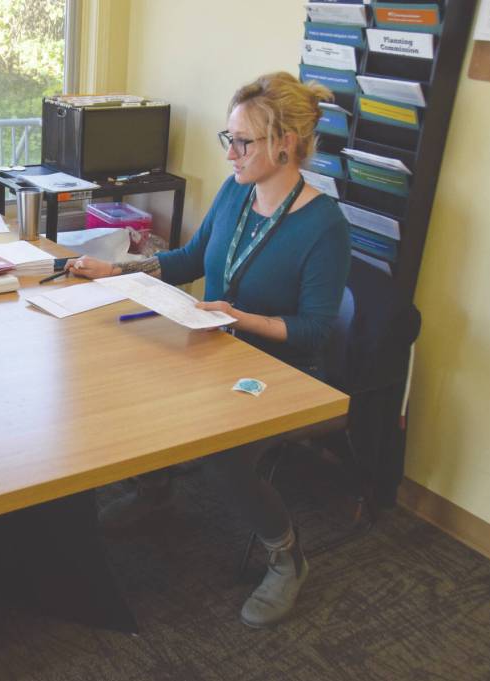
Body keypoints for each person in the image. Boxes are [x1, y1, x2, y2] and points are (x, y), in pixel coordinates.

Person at [69, 72, 351, 627]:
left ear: (284, 144)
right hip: (215, 345)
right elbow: (192, 259)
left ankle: (286, 556)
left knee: (222, 451)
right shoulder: (237, 193)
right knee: (122, 377)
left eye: (242, 142)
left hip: (278, 369)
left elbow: (317, 331)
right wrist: (118, 268)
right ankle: (155, 488)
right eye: (229, 139)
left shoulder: (324, 226)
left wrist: (240, 317)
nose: (231, 155)